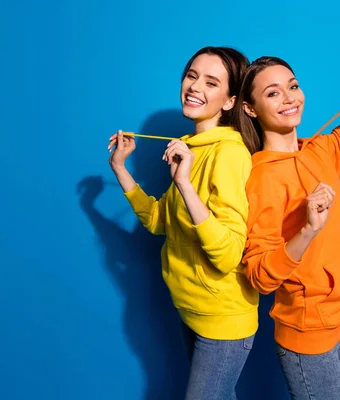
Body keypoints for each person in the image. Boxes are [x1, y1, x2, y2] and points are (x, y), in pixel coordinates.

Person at [234, 56, 340, 400]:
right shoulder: (262, 179)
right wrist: (307, 229)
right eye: (273, 93)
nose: (290, 98)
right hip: (310, 327)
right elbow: (260, 276)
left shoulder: (319, 149)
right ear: (250, 109)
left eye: (292, 86)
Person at [107, 46, 259, 400]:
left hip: (222, 318)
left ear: (229, 100)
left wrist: (185, 184)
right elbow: (161, 221)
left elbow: (228, 254)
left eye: (211, 82)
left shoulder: (230, 153)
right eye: (192, 76)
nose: (194, 87)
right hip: (189, 308)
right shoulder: (191, 146)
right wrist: (120, 169)